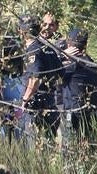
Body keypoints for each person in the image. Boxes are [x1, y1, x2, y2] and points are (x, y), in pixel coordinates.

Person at [17, 14, 64, 146]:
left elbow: (35, 78)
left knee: (32, 146)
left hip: (35, 106)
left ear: (22, 31)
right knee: (48, 148)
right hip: (50, 103)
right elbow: (61, 73)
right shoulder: (48, 49)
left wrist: (25, 100)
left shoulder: (33, 49)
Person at [61, 28, 97, 147]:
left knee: (70, 151)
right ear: (86, 44)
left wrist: (61, 56)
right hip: (93, 115)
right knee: (92, 150)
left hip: (74, 114)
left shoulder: (68, 65)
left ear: (68, 43)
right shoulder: (94, 65)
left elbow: (45, 73)